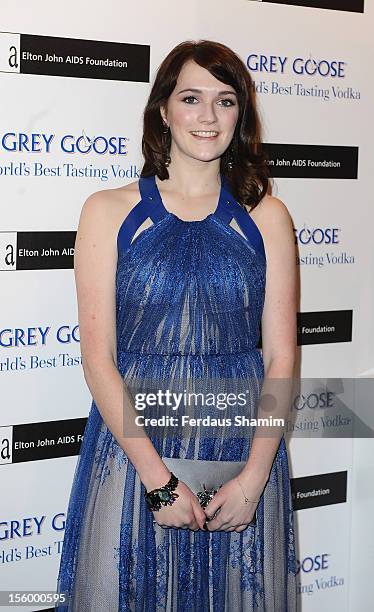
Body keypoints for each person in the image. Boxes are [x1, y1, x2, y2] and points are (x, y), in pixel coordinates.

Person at [56, 39, 298, 611]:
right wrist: (156, 479)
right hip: (137, 451)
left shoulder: (268, 216)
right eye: (191, 98)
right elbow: (98, 359)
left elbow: (282, 358)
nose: (208, 117)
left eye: (226, 100)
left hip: (240, 451)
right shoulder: (107, 211)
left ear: (242, 115)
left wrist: (255, 479)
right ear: (163, 109)